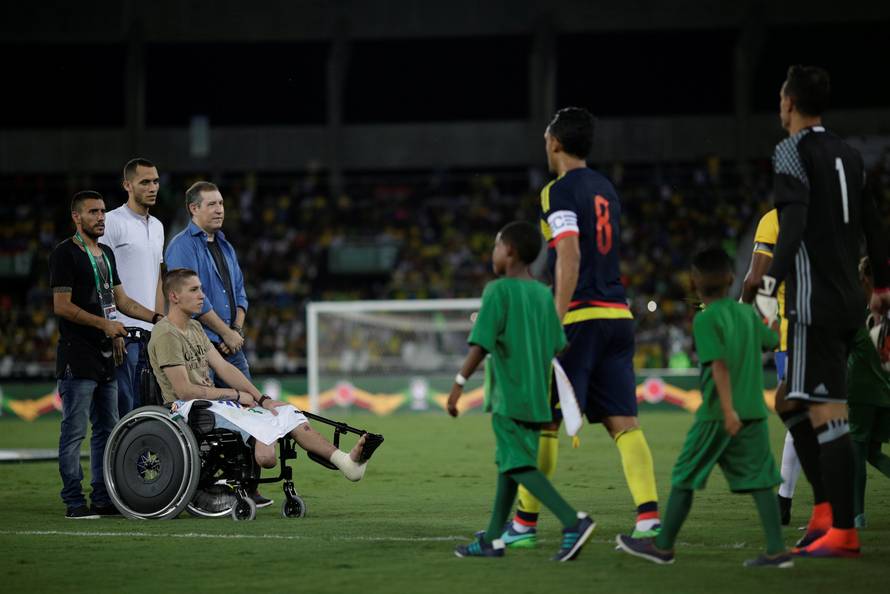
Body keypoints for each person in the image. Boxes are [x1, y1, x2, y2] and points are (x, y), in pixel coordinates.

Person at [503, 107, 659, 548]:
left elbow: (568, 254)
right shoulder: (606, 188)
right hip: (617, 316)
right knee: (624, 422)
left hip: (581, 318)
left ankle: (524, 526)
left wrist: (554, 322)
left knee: (544, 423)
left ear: (554, 142)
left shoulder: (558, 191)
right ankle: (649, 520)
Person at [753, 65, 890, 557]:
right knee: (790, 400)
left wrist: (769, 284)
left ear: (789, 102)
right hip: (851, 296)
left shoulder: (791, 150)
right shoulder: (849, 154)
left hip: (813, 301)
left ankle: (840, 531)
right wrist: (884, 285)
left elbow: (793, 223)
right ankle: (824, 517)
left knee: (824, 413)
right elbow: (875, 222)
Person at [617, 248, 790, 568]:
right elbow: (771, 339)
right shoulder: (745, 315)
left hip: (717, 414)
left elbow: (719, 366)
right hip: (753, 411)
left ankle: (664, 546)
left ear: (695, 283)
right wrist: (765, 312)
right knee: (762, 479)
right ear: (730, 279)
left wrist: (726, 411)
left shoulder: (705, 319)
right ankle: (777, 549)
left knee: (684, 475)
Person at [447, 222, 595, 562]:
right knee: (509, 466)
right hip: (536, 398)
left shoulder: (497, 291)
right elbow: (559, 345)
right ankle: (493, 539)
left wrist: (458, 383)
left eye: (496, 246)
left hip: (508, 397)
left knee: (516, 465)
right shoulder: (544, 294)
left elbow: (481, 344)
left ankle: (573, 521)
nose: (493, 253)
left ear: (509, 251)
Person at [147, 268, 371, 483]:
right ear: (174, 296)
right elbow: (184, 392)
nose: (202, 295)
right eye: (194, 290)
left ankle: (346, 462)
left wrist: (261, 398)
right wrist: (236, 395)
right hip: (189, 409)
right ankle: (264, 445)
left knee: (285, 410)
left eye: (201, 289)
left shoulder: (195, 327)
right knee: (267, 447)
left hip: (212, 404)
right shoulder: (166, 333)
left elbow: (224, 368)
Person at [50, 191, 164, 519]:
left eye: (102, 212)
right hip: (77, 357)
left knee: (108, 429)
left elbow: (119, 302)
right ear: (76, 217)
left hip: (105, 357)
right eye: (92, 212)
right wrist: (104, 325)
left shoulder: (106, 254)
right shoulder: (65, 254)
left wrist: (157, 318)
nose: (101, 217)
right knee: (74, 432)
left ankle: (103, 498)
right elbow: (61, 306)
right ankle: (74, 501)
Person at [164, 181, 272, 506]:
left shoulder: (226, 246)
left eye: (222, 203)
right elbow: (193, 300)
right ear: (193, 209)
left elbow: (239, 293)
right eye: (211, 204)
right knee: (212, 421)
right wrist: (225, 333)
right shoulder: (182, 246)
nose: (220, 209)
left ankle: (250, 486)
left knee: (251, 409)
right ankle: (208, 486)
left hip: (231, 345)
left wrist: (235, 329)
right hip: (200, 348)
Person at [742, 208, 799, 525]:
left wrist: (739, 312)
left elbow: (754, 280)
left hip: (795, 333)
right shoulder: (832, 213)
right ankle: (838, 511)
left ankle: (785, 502)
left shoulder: (775, 219)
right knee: (831, 420)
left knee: (797, 415)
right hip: (836, 330)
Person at [98, 158, 165, 415]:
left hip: (150, 335)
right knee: (124, 411)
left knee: (149, 409)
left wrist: (159, 326)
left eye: (156, 181)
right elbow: (102, 278)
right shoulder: (112, 222)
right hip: (124, 335)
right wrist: (112, 326)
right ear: (127, 185)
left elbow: (158, 279)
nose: (153, 187)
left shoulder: (158, 226)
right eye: (145, 182)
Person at [848, 257, 890, 528]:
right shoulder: (884, 313)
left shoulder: (859, 315)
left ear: (864, 278)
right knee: (873, 453)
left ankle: (857, 516)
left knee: (856, 453)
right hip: (884, 393)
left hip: (861, 394)